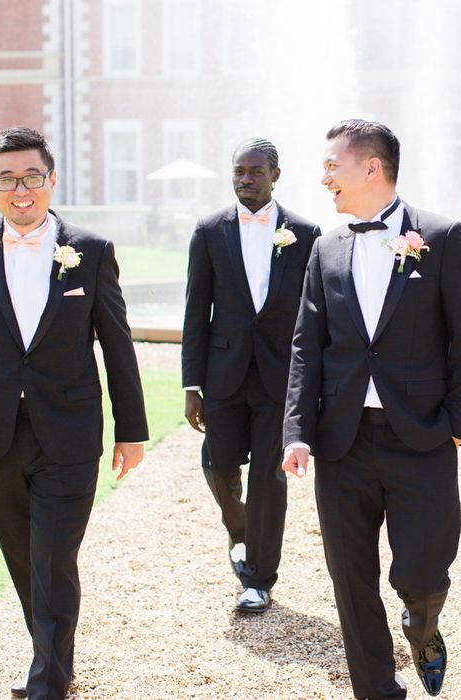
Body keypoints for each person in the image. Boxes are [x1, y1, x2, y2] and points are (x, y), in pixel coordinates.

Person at [282, 119, 461, 698]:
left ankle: (422, 625)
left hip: (421, 436)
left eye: (331, 166)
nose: (323, 179)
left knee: (421, 571)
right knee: (351, 581)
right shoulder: (325, 248)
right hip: (341, 441)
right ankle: (376, 688)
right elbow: (306, 347)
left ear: (371, 167)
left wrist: (458, 426)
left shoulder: (442, 237)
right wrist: (297, 430)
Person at [0, 126, 148, 699]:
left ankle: (47, 687)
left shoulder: (92, 251)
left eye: (31, 176)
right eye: (7, 178)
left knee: (53, 562)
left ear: (51, 180)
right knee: (24, 563)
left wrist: (131, 431)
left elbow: (118, 343)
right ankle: (53, 665)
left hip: (69, 437)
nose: (20, 189)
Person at [182, 137, 320, 612]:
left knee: (268, 476)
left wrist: (313, 384)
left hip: (280, 379)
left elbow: (313, 314)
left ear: (275, 175)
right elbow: (196, 311)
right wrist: (191, 385)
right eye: (239, 171)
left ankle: (260, 578)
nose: (245, 179)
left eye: (255, 171)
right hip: (223, 373)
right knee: (217, 464)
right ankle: (239, 530)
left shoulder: (306, 232)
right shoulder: (209, 230)